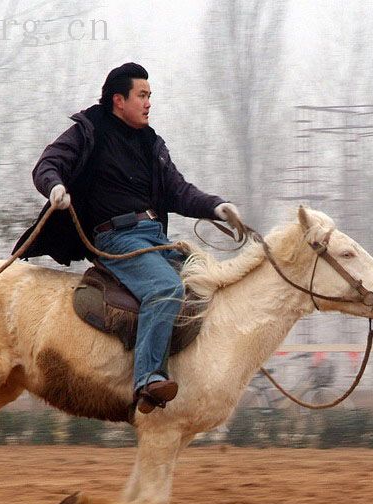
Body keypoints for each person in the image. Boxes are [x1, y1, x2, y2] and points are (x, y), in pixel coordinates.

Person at [14, 62, 240, 414]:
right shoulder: (89, 131)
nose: (149, 103)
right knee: (166, 289)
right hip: (116, 239)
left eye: (150, 96)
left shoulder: (151, 143)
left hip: (156, 238)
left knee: (209, 285)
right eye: (142, 95)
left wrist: (217, 207)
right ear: (119, 100)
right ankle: (148, 379)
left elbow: (178, 191)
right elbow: (48, 164)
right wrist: (55, 186)